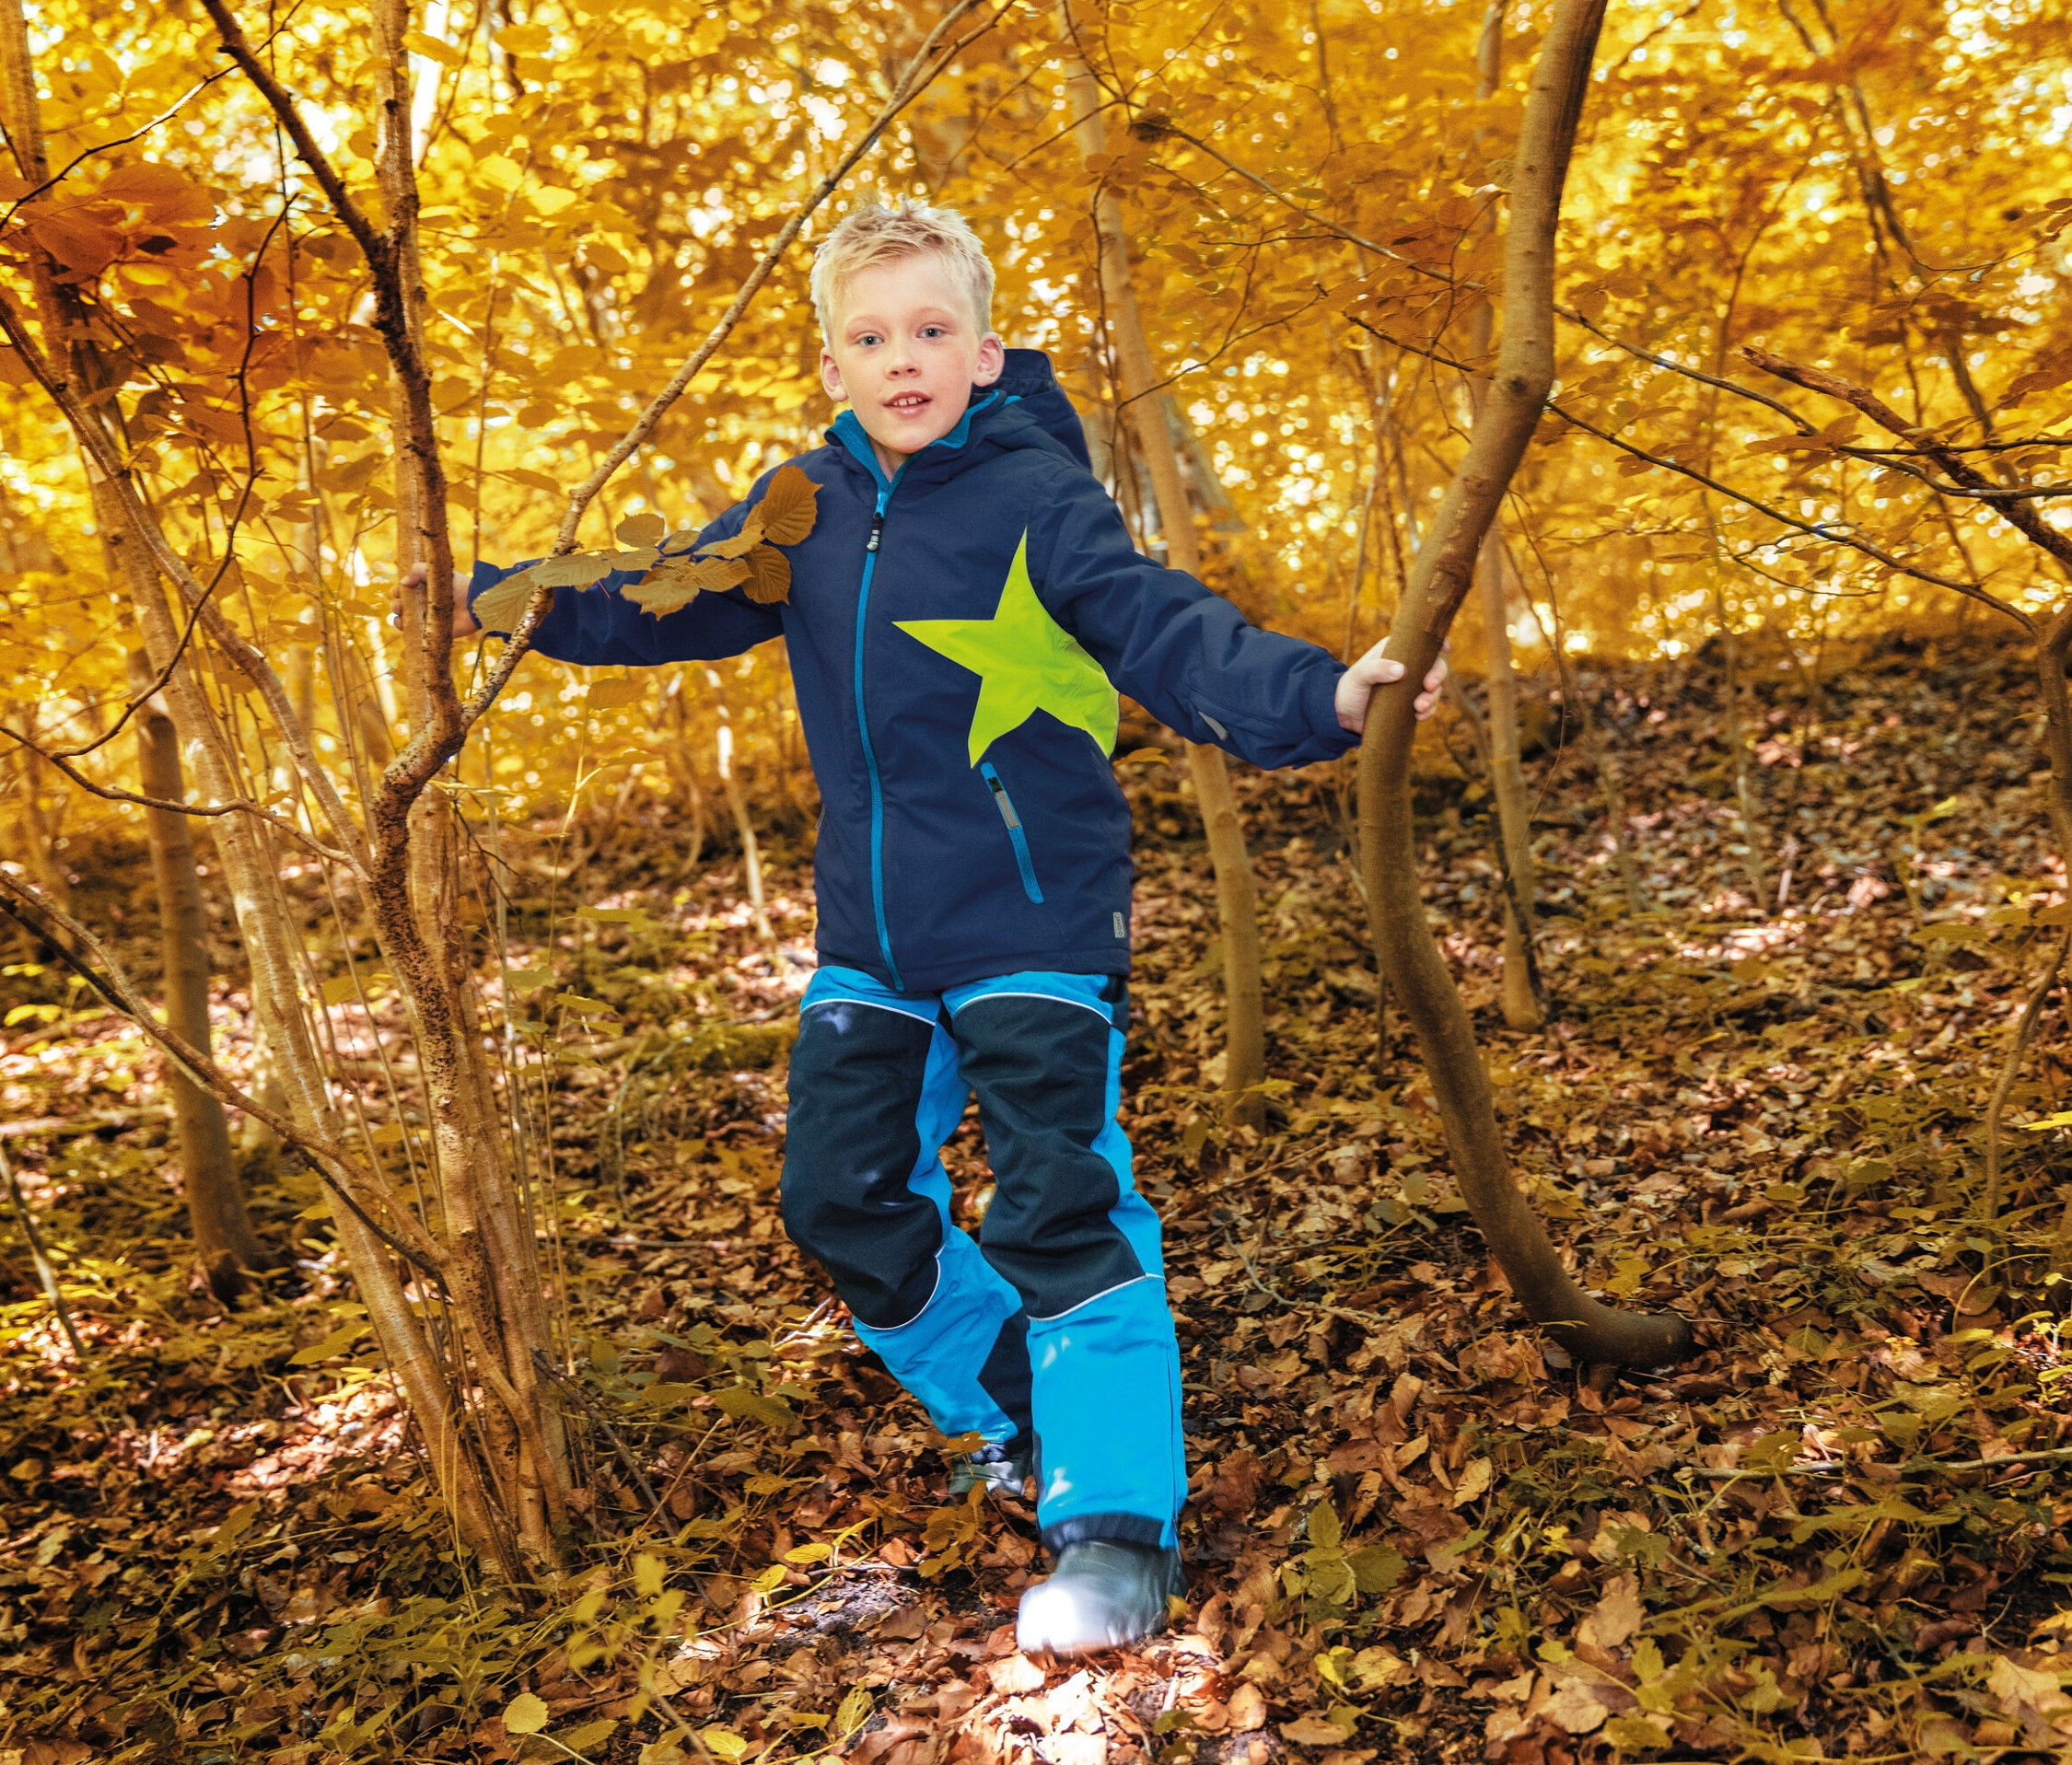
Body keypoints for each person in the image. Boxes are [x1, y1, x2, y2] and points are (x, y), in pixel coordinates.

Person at [410, 201, 1444, 1655]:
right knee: (840, 1200)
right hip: (873, 941)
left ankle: (1111, 1527)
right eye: (871, 336)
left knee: (1056, 1204)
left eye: (931, 330)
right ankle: (1025, 1401)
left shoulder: (1035, 499)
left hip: (1031, 914)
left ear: (984, 347)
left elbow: (1159, 621)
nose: (903, 359)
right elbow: (664, 599)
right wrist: (483, 598)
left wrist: (1323, 695)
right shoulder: (801, 508)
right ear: (831, 363)